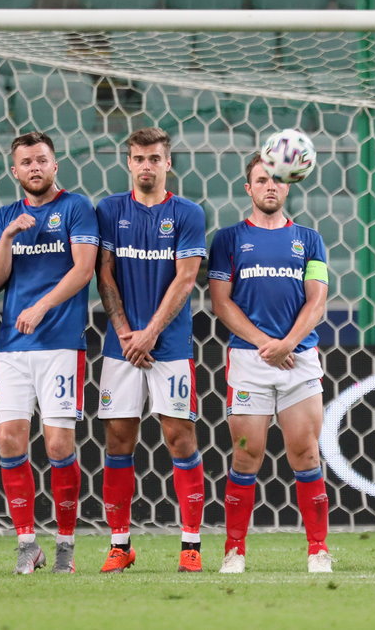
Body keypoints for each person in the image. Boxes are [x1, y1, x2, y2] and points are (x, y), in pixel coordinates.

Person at [208, 152, 333, 574]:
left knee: (305, 453)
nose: (269, 186)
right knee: (247, 456)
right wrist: (266, 343)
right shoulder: (227, 240)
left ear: (289, 184)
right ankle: (234, 550)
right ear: (249, 188)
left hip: (298, 360)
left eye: (276, 180)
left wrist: (289, 344)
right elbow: (221, 304)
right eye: (261, 180)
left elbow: (317, 300)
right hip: (249, 359)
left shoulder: (310, 239)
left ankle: (318, 550)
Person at [95, 127, 207, 573]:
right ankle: (120, 545)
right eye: (138, 158)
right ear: (128, 162)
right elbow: (104, 275)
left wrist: (150, 333)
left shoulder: (188, 213)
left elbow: (186, 278)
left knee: (180, 438)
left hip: (171, 346)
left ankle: (190, 546)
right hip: (121, 347)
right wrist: (126, 334)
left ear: (168, 163)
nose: (146, 166)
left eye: (154, 159)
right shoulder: (108, 210)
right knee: (119, 439)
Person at [0, 132, 98, 575]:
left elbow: (84, 268)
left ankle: (66, 545)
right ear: (15, 172)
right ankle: (27, 544)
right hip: (12, 347)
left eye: (42, 160)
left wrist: (42, 305)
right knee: (9, 440)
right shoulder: (4, 217)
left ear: (56, 166)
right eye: (26, 162)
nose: (35, 167)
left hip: (60, 344)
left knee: (57, 444)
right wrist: (7, 237)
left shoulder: (76, 208)